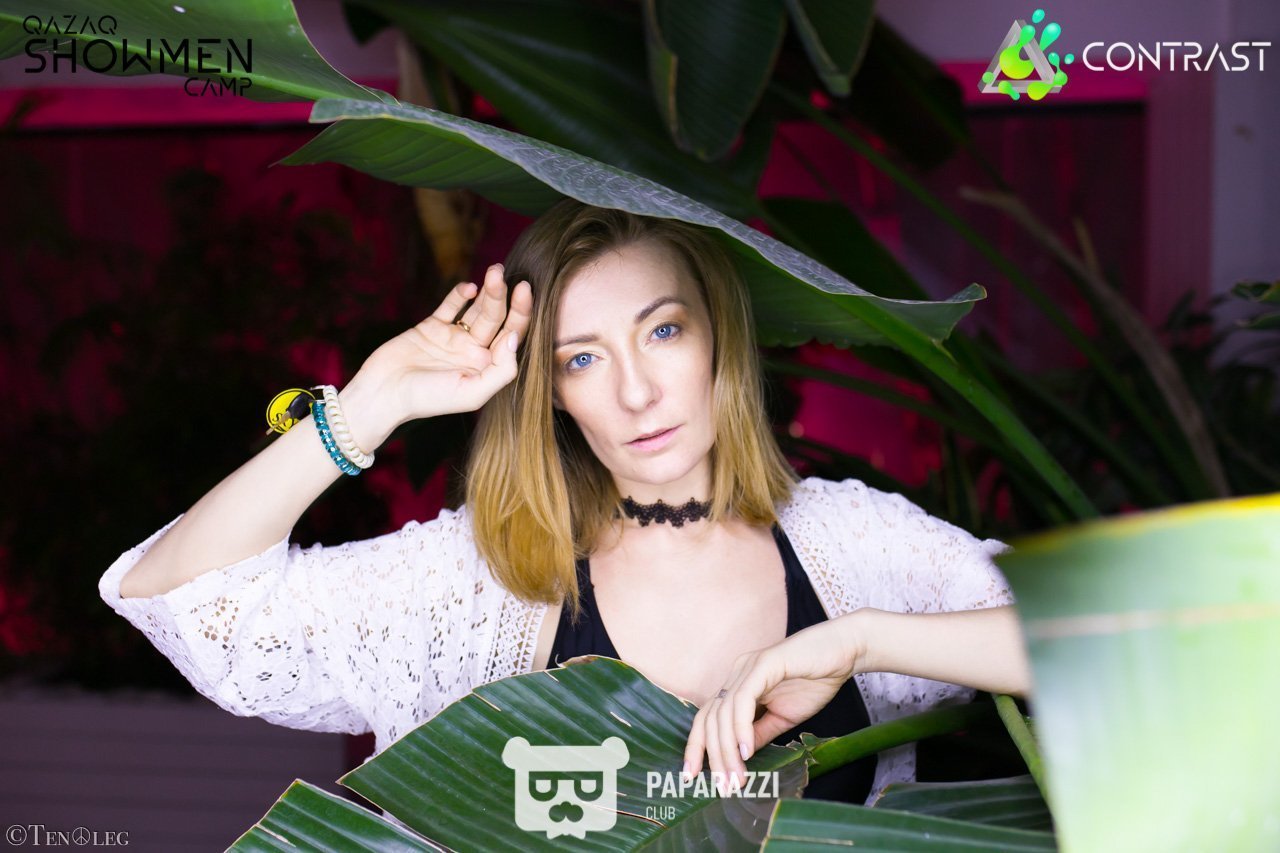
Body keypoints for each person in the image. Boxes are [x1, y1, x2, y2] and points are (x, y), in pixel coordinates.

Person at [99, 200, 1029, 811]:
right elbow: (189, 600)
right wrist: (368, 405)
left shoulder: (857, 544)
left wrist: (860, 640)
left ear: (719, 336)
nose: (637, 391)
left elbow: (1093, 636)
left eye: (662, 331)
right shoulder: (481, 581)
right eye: (582, 357)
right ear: (547, 389)